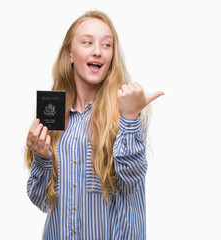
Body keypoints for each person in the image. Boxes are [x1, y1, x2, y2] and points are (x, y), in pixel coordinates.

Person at [25, 10, 164, 240]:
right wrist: (41, 157)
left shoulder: (128, 108)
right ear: (70, 54)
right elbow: (43, 201)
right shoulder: (53, 116)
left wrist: (129, 118)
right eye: (87, 42)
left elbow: (130, 181)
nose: (97, 51)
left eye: (106, 45)